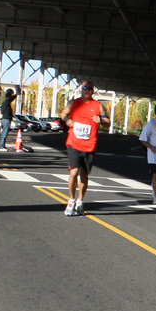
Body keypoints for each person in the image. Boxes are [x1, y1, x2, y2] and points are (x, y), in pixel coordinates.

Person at [61, 82, 109, 215]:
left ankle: (80, 201)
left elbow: (107, 122)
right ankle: (71, 200)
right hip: (74, 143)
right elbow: (64, 113)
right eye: (84, 88)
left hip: (89, 145)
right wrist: (67, 120)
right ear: (81, 90)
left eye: (89, 89)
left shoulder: (98, 106)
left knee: (84, 174)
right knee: (73, 173)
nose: (87, 90)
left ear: (93, 91)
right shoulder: (73, 103)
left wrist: (101, 120)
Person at [138, 115, 156, 204]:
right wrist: (151, 147)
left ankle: (155, 186)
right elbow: (143, 139)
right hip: (154, 156)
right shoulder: (151, 124)